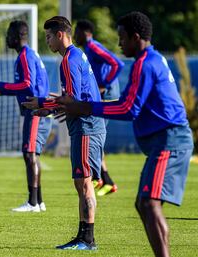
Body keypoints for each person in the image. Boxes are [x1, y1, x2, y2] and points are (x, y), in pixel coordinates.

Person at [52, 12, 194, 257]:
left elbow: (128, 108)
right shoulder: (152, 59)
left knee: (148, 204)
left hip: (169, 140)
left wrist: (85, 107)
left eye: (121, 38)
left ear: (135, 37)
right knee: (143, 204)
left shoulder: (145, 64)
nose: (119, 44)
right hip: (163, 142)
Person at [22, 16, 106, 250]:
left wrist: (42, 105)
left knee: (85, 183)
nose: (47, 40)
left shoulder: (68, 60)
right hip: (87, 125)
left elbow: (72, 99)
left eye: (49, 36)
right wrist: (46, 107)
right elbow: (71, 99)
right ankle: (83, 236)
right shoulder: (76, 55)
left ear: (60, 35)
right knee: (81, 183)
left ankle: (88, 239)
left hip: (86, 127)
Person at [0, 20, 52, 212]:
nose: (6, 39)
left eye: (9, 35)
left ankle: (32, 203)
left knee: (29, 154)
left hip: (36, 111)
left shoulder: (25, 56)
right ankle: (40, 201)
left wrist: (1, 86)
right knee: (32, 155)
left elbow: (28, 85)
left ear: (18, 36)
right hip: (37, 110)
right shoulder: (28, 54)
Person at [74, 19, 124, 196]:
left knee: (95, 135)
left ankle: (99, 178)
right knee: (96, 135)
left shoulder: (93, 46)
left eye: (77, 32)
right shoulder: (87, 49)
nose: (74, 36)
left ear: (85, 33)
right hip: (100, 95)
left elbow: (117, 63)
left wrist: (105, 85)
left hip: (107, 96)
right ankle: (105, 180)